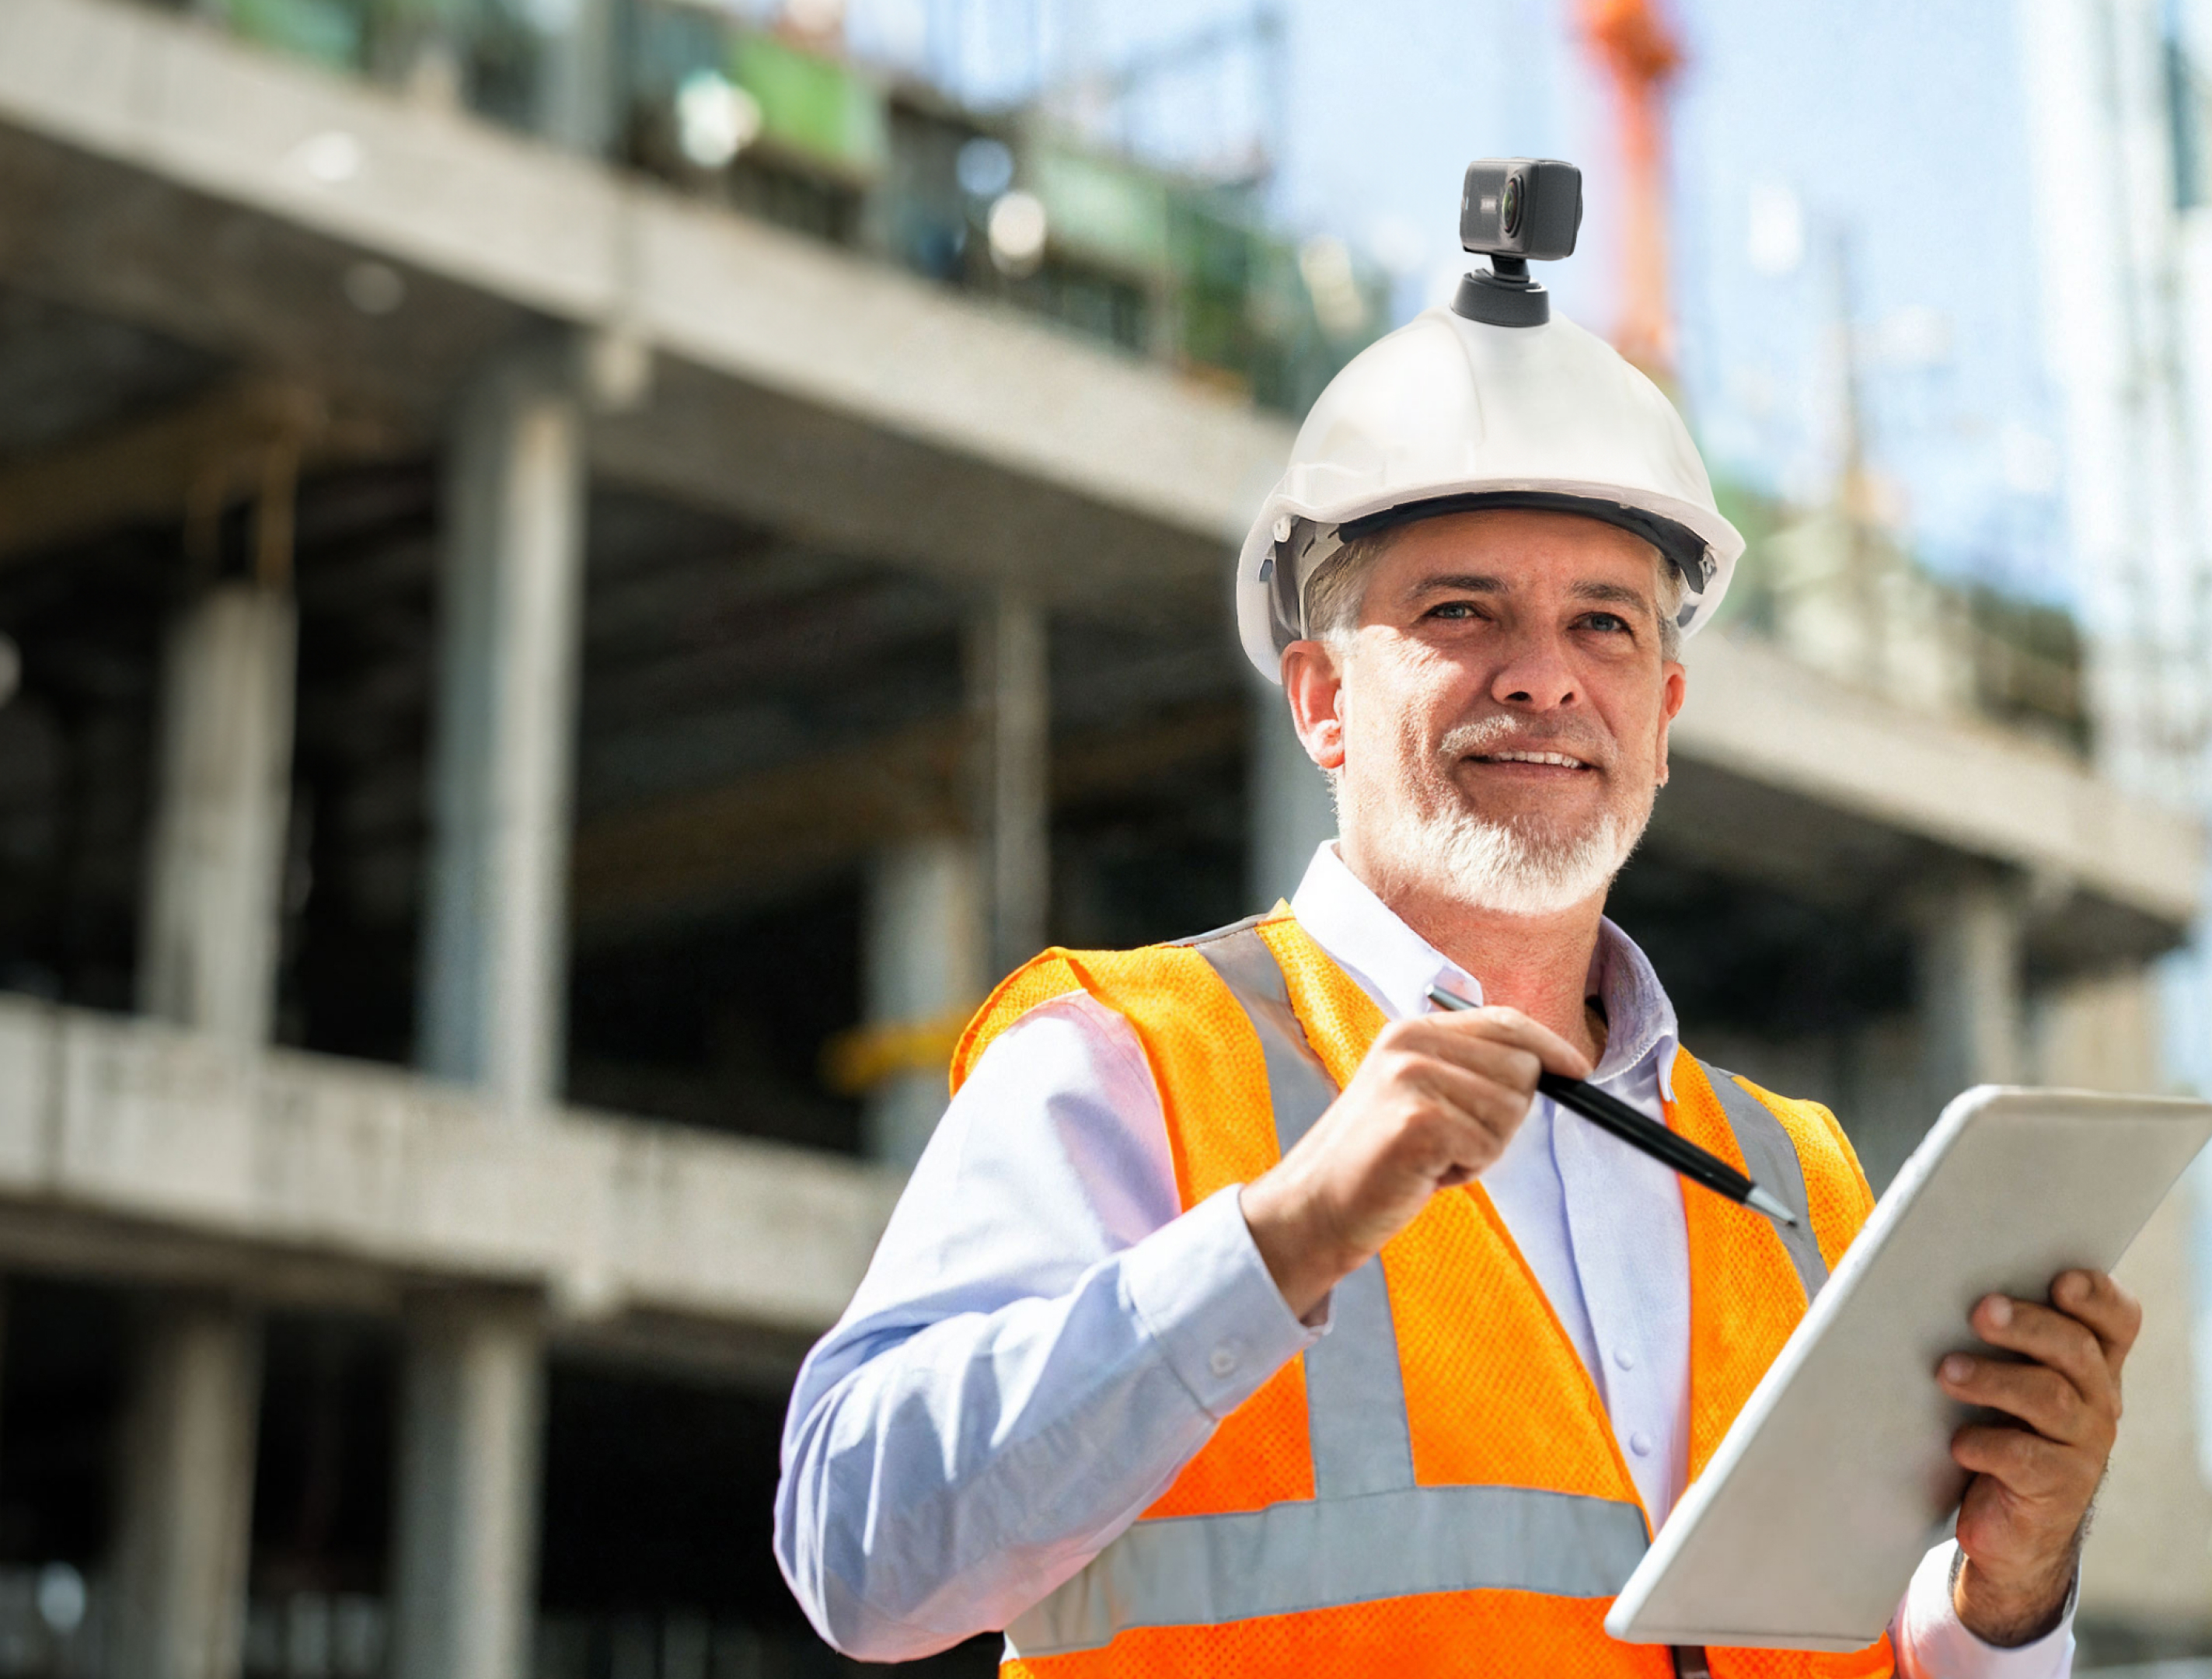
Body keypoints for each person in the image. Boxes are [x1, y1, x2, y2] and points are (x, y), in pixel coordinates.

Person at [773, 174, 2142, 1677]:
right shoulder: (1132, 1063)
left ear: (1665, 715)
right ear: (1318, 700)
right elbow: (859, 1559)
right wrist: (1281, 1240)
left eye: (1605, 624)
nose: (1545, 676)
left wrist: (2011, 1597)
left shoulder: (1796, 1179)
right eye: (1460, 613)